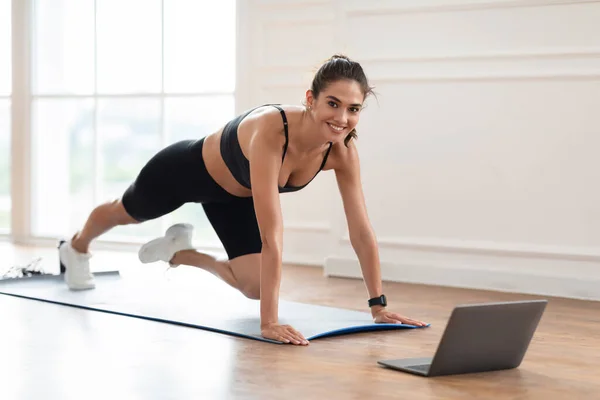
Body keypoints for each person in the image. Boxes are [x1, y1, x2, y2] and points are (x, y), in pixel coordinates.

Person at [58, 54, 427, 346]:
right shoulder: (271, 130)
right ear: (311, 99)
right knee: (124, 212)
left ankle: (180, 252)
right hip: (183, 173)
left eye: (354, 109)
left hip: (232, 198)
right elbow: (273, 235)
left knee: (253, 287)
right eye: (333, 103)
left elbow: (360, 230)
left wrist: (378, 307)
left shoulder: (342, 152)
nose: (342, 118)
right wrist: (269, 323)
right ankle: (76, 247)